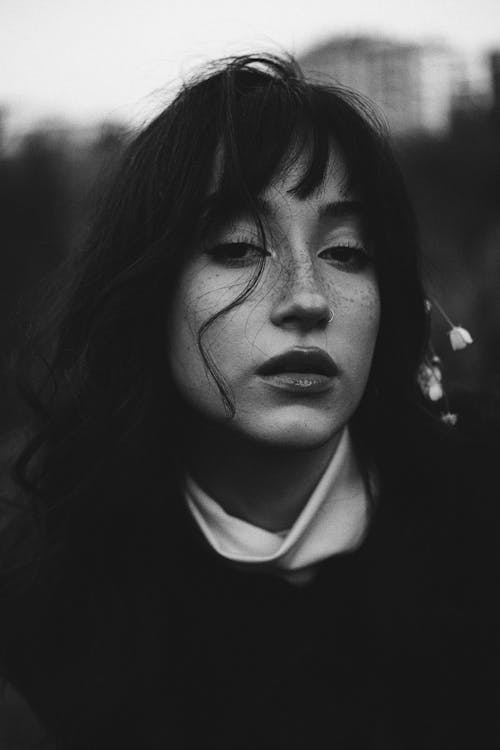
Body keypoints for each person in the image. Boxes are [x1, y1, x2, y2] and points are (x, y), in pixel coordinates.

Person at [0, 53, 498, 750]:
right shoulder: (41, 601)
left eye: (348, 251)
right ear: (149, 289)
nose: (305, 298)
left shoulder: (479, 518)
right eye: (237, 246)